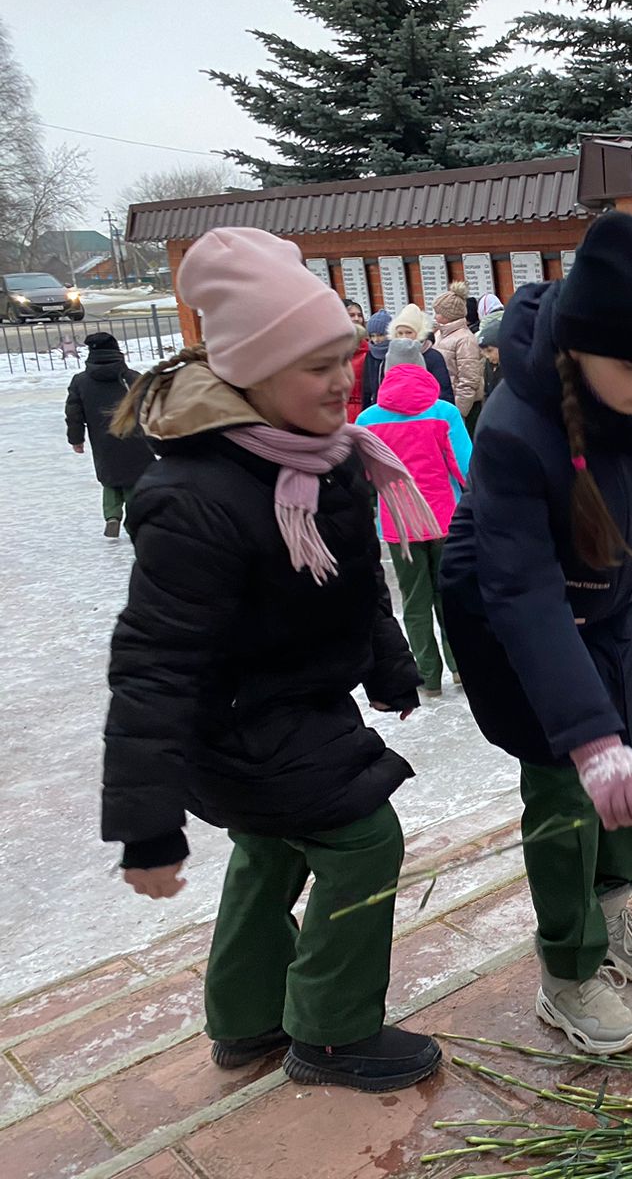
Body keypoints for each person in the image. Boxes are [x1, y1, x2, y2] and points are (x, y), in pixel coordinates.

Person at [102, 226, 442, 1091]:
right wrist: (145, 816)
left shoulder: (325, 459)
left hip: (294, 706)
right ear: (247, 373)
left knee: (272, 844)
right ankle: (330, 1033)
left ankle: (246, 1015)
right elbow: (154, 664)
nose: (340, 382)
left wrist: (390, 663)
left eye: (345, 358)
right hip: (238, 723)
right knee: (364, 835)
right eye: (314, 365)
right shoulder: (196, 498)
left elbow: (355, 579)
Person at [439, 212, 632, 1056]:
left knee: (624, 758)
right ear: (579, 349)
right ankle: (567, 968)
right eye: (631, 365)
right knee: (569, 784)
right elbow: (521, 589)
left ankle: (612, 905)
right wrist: (584, 737)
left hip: (604, 602)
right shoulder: (516, 428)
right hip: (515, 618)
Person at [357, 353, 472, 697]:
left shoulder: (367, 420)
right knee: (450, 596)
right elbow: (466, 467)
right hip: (444, 518)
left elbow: (363, 475)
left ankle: (428, 675)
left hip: (399, 524)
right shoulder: (444, 413)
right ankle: (462, 668)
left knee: (414, 601)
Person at [65, 331, 155, 537]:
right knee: (134, 479)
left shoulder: (80, 382)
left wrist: (76, 439)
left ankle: (112, 515)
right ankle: (134, 519)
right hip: (135, 438)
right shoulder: (133, 378)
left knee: (110, 479)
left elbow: (73, 414)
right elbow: (150, 407)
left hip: (102, 440)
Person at [433, 290, 484, 429]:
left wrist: (459, 411)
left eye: (438, 312)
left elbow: (469, 378)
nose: (435, 316)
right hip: (446, 402)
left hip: (464, 407)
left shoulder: (465, 339)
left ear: (449, 314)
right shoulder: (439, 334)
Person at [389, 303, 454, 399]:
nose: (404, 337)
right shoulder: (390, 356)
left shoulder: (433, 356)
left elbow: (443, 391)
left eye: (409, 333)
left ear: (419, 333)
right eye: (400, 333)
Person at [358, 309, 392, 410]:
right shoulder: (370, 354)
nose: (376, 340)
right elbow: (366, 386)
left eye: (380, 335)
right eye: (372, 335)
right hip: (375, 404)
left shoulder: (395, 352)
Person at [478, 311, 504, 400]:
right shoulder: (489, 364)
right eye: (483, 352)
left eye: (490, 351)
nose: (487, 356)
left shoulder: (515, 368)